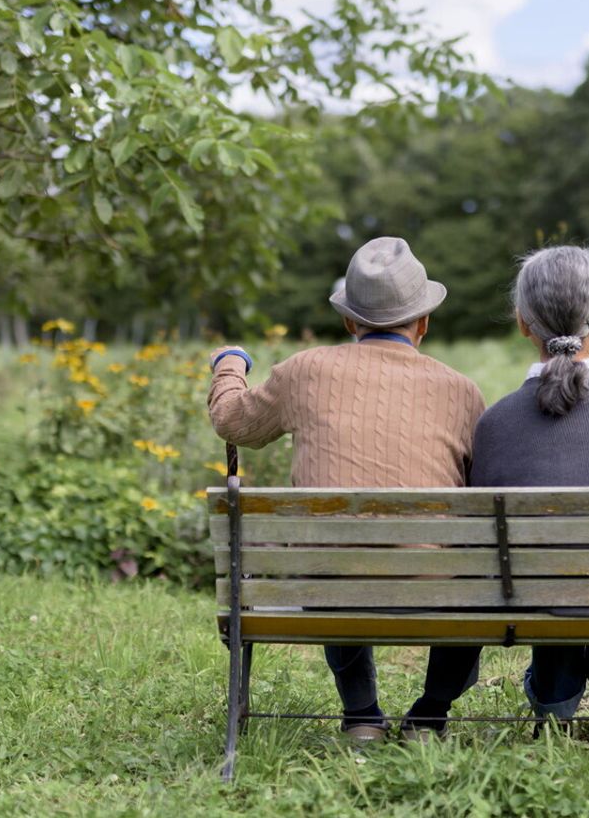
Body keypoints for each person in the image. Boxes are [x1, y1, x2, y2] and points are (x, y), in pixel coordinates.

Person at [207, 236, 487, 744]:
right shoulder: (463, 391)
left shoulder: (303, 371)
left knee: (334, 553)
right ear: (423, 322)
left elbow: (232, 421)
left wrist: (230, 363)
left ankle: (362, 715)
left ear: (349, 322)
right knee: (476, 578)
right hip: (434, 590)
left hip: (326, 589)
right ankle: (429, 716)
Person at [427, 246, 589, 745]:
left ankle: (553, 707)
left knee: (547, 572)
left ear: (523, 323)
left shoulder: (497, 422)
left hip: (533, 596)